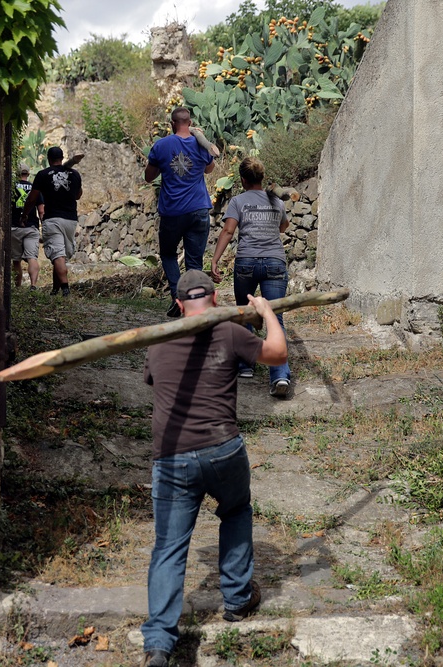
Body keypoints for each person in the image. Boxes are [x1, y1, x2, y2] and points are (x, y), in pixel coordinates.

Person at [139, 270, 287, 667]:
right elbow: (278, 354)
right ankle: (238, 599)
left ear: (180, 301)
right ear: (216, 298)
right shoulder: (230, 332)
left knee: (168, 547)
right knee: (235, 510)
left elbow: (155, 382)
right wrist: (267, 312)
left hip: (171, 457)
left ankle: (158, 644)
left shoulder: (158, 341)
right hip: (223, 451)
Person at [211, 157, 292, 397]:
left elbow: (228, 230)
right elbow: (283, 227)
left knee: (244, 311)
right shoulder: (277, 200)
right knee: (276, 319)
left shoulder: (237, 201)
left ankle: (245, 365)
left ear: (243, 180)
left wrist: (215, 260)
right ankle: (279, 376)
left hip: (246, 262)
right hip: (275, 263)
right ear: (262, 178)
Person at [145, 107, 217, 317]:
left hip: (172, 211)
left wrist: (162, 165)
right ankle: (194, 306)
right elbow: (209, 169)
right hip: (198, 209)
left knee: (168, 254)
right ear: (190, 122)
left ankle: (178, 296)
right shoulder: (200, 142)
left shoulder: (161, 145)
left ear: (172, 123)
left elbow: (149, 176)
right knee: (194, 261)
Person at [22, 146, 82, 296]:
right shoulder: (75, 174)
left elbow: (32, 198)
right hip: (70, 220)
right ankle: (55, 290)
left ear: (49, 159)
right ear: (62, 158)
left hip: (53, 218)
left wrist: (25, 214)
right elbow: (78, 195)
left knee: (58, 254)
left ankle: (65, 290)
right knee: (60, 255)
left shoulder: (43, 175)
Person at [11, 164, 44, 289]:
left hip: (14, 227)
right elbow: (41, 210)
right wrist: (43, 226)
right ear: (28, 174)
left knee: (16, 260)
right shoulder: (35, 188)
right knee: (32, 257)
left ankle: (18, 287)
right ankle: (33, 285)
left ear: (17, 173)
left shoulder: (11, 187)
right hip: (31, 227)